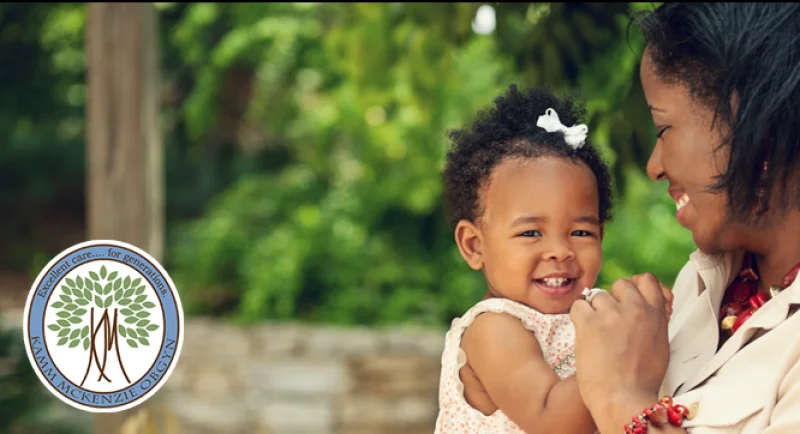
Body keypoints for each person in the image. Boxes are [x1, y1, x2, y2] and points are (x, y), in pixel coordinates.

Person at [568, 3, 800, 434]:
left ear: (755, 125)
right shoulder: (701, 284)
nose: (654, 166)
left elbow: (621, 399)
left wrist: (621, 397)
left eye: (663, 130)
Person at [433, 84, 672, 433]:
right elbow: (552, 421)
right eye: (531, 233)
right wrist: (629, 347)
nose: (560, 250)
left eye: (581, 232)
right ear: (474, 245)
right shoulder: (493, 329)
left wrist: (642, 317)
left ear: (601, 235)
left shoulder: (588, 313)